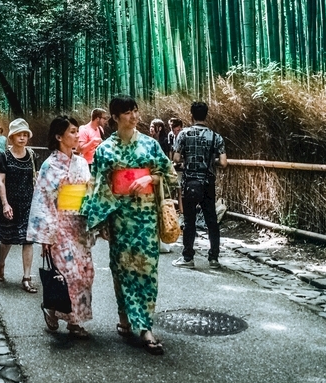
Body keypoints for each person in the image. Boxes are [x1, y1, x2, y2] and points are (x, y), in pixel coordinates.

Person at [81, 95, 176, 355]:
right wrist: (101, 221)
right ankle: (124, 317)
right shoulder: (104, 150)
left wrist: (149, 179)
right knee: (121, 269)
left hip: (145, 217)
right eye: (127, 112)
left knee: (147, 271)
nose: (134, 116)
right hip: (120, 218)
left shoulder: (150, 145)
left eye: (136, 111)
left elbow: (170, 175)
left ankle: (145, 326)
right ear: (114, 117)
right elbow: (97, 186)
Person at [28, 116, 94, 338]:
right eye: (73, 132)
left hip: (79, 225)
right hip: (59, 226)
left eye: (77, 131)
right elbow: (43, 201)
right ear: (59, 136)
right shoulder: (49, 165)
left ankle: (60, 313)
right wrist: (45, 237)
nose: (77, 135)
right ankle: (71, 321)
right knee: (68, 274)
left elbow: (89, 193)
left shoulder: (82, 162)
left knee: (85, 273)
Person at [172, 101, 227, 269]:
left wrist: (187, 160)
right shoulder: (215, 136)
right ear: (206, 115)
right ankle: (214, 258)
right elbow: (223, 162)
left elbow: (175, 158)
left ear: (191, 115)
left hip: (189, 182)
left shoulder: (183, 134)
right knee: (211, 220)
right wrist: (211, 160)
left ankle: (188, 257)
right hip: (207, 181)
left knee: (189, 221)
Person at [0, 118, 38, 292]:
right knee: (7, 239)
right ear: (12, 137)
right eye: (19, 134)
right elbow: (1, 182)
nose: (22, 138)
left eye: (25, 134)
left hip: (28, 203)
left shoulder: (32, 155)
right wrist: (5, 204)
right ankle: (1, 264)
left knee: (28, 240)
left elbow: (36, 178)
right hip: (9, 202)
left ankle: (26, 277)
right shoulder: (4, 157)